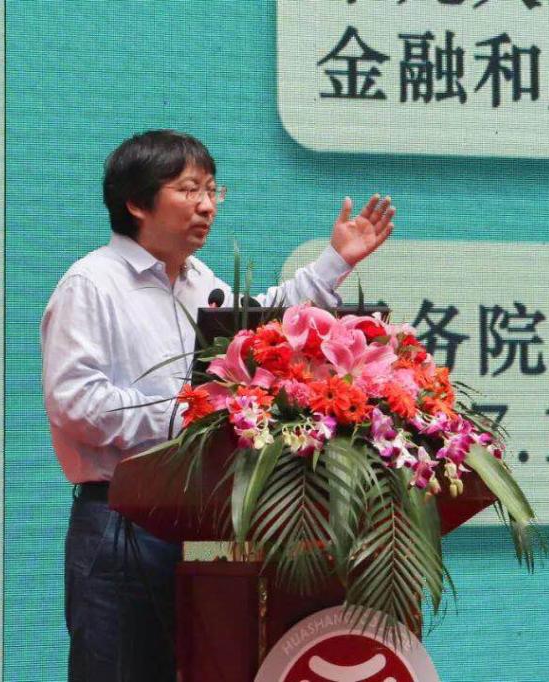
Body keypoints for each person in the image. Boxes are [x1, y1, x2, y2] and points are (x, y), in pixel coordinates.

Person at [40, 129, 395, 681]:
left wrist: (334, 263)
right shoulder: (92, 284)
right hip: (119, 519)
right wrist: (189, 415)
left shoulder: (197, 281)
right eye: (189, 190)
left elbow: (261, 328)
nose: (207, 205)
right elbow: (76, 402)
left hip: (195, 520)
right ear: (136, 202)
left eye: (212, 190)